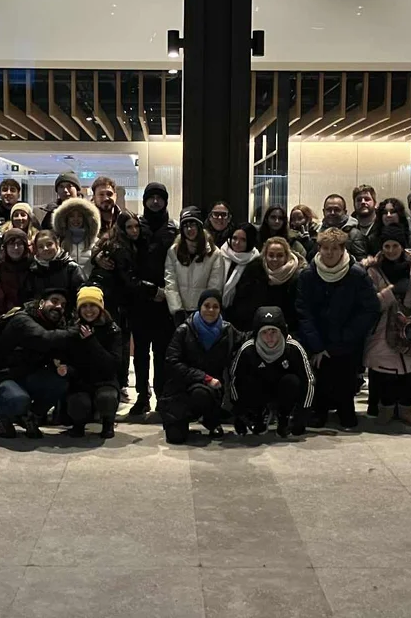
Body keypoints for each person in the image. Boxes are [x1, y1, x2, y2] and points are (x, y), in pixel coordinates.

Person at [295, 227, 380, 429]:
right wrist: (317, 344)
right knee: (320, 377)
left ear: (343, 249)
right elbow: (302, 310)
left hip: (347, 339)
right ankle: (320, 411)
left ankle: (345, 410)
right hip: (318, 338)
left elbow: (370, 308)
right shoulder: (308, 274)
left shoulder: (356, 274)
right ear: (319, 249)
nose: (329, 253)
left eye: (334, 248)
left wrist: (347, 335)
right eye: (325, 248)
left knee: (346, 378)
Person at [0, 290, 85, 438]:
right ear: (42, 303)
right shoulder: (21, 319)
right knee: (19, 399)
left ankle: (29, 416)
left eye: (63, 305)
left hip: (28, 375)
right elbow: (44, 338)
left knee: (59, 383)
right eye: (54, 301)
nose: (59, 307)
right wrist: (75, 331)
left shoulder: (54, 324)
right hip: (3, 377)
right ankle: (4, 416)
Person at [362, 225, 411, 427]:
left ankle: (406, 409)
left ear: (402, 246)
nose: (391, 250)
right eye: (387, 246)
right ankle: (386, 409)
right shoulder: (371, 270)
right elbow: (367, 303)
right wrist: (390, 293)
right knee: (385, 374)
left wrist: (409, 301)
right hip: (382, 329)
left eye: (395, 245)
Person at [160, 289, 242, 443]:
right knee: (175, 438)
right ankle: (184, 419)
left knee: (201, 393)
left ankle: (211, 420)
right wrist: (204, 377)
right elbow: (172, 362)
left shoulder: (228, 331)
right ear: (200, 307)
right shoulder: (184, 330)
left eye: (215, 306)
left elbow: (246, 339)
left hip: (210, 391)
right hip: (180, 389)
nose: (211, 310)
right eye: (207, 305)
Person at [128, 182, 179, 418]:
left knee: (162, 352)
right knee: (140, 353)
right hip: (140, 300)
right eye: (151, 197)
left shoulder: (173, 229)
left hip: (165, 301)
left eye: (160, 197)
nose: (155, 201)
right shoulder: (136, 226)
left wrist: (167, 292)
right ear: (145, 200)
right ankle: (142, 395)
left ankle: (161, 395)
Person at [228, 305, 314, 437]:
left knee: (292, 381)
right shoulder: (248, 349)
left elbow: (309, 380)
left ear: (281, 331)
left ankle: (284, 416)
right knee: (248, 380)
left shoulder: (293, 348)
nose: (269, 337)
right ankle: (259, 414)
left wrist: (302, 414)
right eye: (264, 332)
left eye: (273, 331)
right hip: (259, 390)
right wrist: (239, 412)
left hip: (282, 390)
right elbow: (235, 379)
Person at [89, 211, 145, 393]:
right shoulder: (119, 247)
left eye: (136, 226)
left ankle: (119, 382)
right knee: (119, 342)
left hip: (118, 301)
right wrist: (151, 289)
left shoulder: (120, 243)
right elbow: (127, 278)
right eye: (129, 227)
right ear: (121, 228)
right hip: (116, 302)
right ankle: (119, 382)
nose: (134, 230)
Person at [64, 286, 122, 438]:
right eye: (84, 306)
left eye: (93, 305)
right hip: (81, 380)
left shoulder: (112, 330)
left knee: (107, 398)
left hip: (105, 380)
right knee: (78, 403)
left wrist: (91, 341)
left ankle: (108, 423)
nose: (88, 310)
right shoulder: (72, 328)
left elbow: (112, 365)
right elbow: (69, 358)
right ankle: (78, 424)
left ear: (100, 307)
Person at [165, 207, 227, 323]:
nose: (189, 229)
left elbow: (215, 286)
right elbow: (170, 283)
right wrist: (177, 309)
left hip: (204, 313)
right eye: (185, 225)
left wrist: (206, 309)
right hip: (181, 312)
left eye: (192, 224)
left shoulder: (214, 253)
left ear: (199, 226)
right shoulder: (174, 251)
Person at [229, 235, 303, 333]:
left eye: (280, 255)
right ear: (265, 256)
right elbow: (242, 305)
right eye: (271, 255)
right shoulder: (253, 271)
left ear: (286, 256)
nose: (275, 259)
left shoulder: (296, 277)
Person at [0, 227, 33, 322]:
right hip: (8, 318)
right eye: (11, 244)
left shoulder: (34, 266)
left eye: (19, 244)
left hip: (32, 316)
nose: (16, 248)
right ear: (5, 247)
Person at [27, 230, 85, 302]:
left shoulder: (71, 268)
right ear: (37, 250)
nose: (45, 249)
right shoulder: (33, 271)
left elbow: (82, 295)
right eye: (41, 247)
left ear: (57, 244)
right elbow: (29, 298)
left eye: (49, 244)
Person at [51, 196, 101, 271]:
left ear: (85, 218)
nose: (76, 219)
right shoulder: (59, 242)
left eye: (79, 216)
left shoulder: (96, 242)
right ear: (66, 219)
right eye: (71, 216)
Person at [219, 223, 259, 311]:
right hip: (217, 308)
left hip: (242, 311)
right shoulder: (220, 254)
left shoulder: (255, 262)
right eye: (234, 238)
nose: (237, 243)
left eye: (243, 240)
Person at [319, 193, 369, 259]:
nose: (332, 213)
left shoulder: (354, 234)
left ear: (345, 212)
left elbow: (361, 261)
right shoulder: (318, 231)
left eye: (337, 210)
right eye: (329, 210)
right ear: (323, 211)